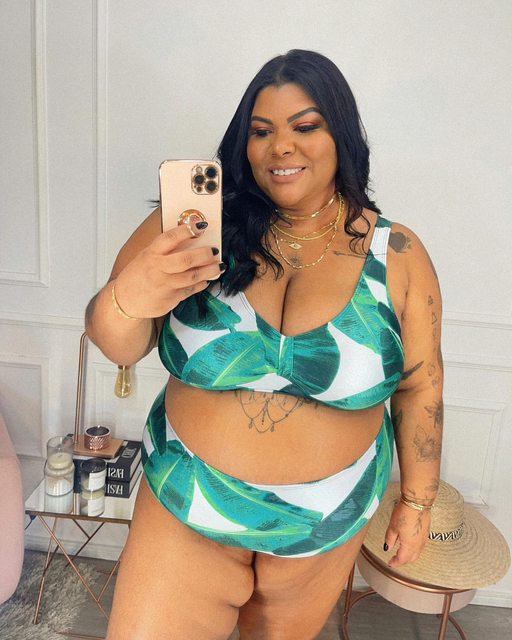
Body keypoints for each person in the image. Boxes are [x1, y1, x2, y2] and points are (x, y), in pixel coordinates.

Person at [85, 49, 443, 640]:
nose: (280, 147)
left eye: (305, 126)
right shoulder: (195, 225)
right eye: (261, 131)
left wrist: (418, 502)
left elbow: (421, 384)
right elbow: (117, 346)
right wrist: (128, 295)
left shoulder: (396, 253)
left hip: (323, 527)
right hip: (187, 503)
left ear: (341, 135)